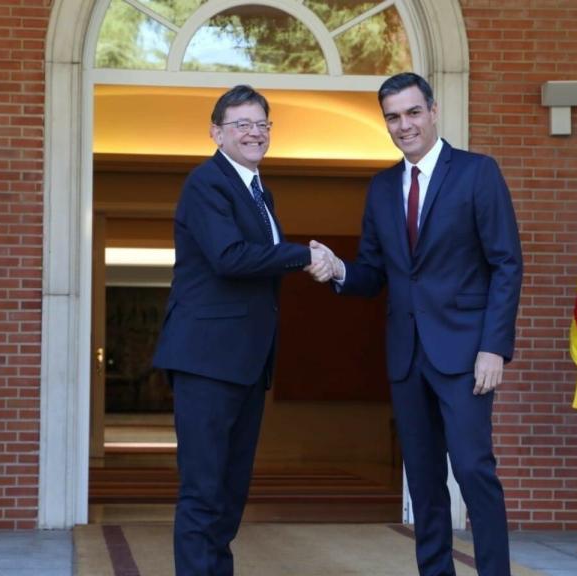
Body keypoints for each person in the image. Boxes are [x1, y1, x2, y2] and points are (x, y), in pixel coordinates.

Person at [308, 72, 523, 576]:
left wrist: (494, 347)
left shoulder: (477, 173)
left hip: (466, 355)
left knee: (473, 471)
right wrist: (339, 270)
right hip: (406, 356)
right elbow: (374, 272)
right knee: (423, 481)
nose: (404, 125)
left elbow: (506, 264)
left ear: (432, 111)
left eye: (412, 113)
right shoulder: (382, 188)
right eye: (392, 117)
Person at [153, 84, 328, 576]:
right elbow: (229, 257)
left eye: (262, 124)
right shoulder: (208, 183)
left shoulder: (257, 190)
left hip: (245, 362)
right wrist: (304, 254)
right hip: (207, 360)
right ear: (216, 133)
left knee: (230, 492)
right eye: (242, 125)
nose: (254, 133)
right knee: (204, 491)